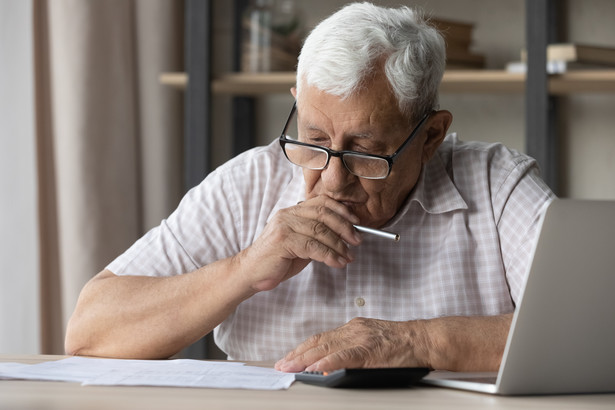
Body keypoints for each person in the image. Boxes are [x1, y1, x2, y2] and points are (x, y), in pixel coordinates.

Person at [65, 2, 554, 373]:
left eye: (364, 152)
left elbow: (593, 330)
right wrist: (244, 270)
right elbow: (90, 335)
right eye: (315, 140)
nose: (333, 179)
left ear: (430, 136)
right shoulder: (248, 184)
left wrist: (417, 342)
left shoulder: (496, 185)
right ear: (297, 105)